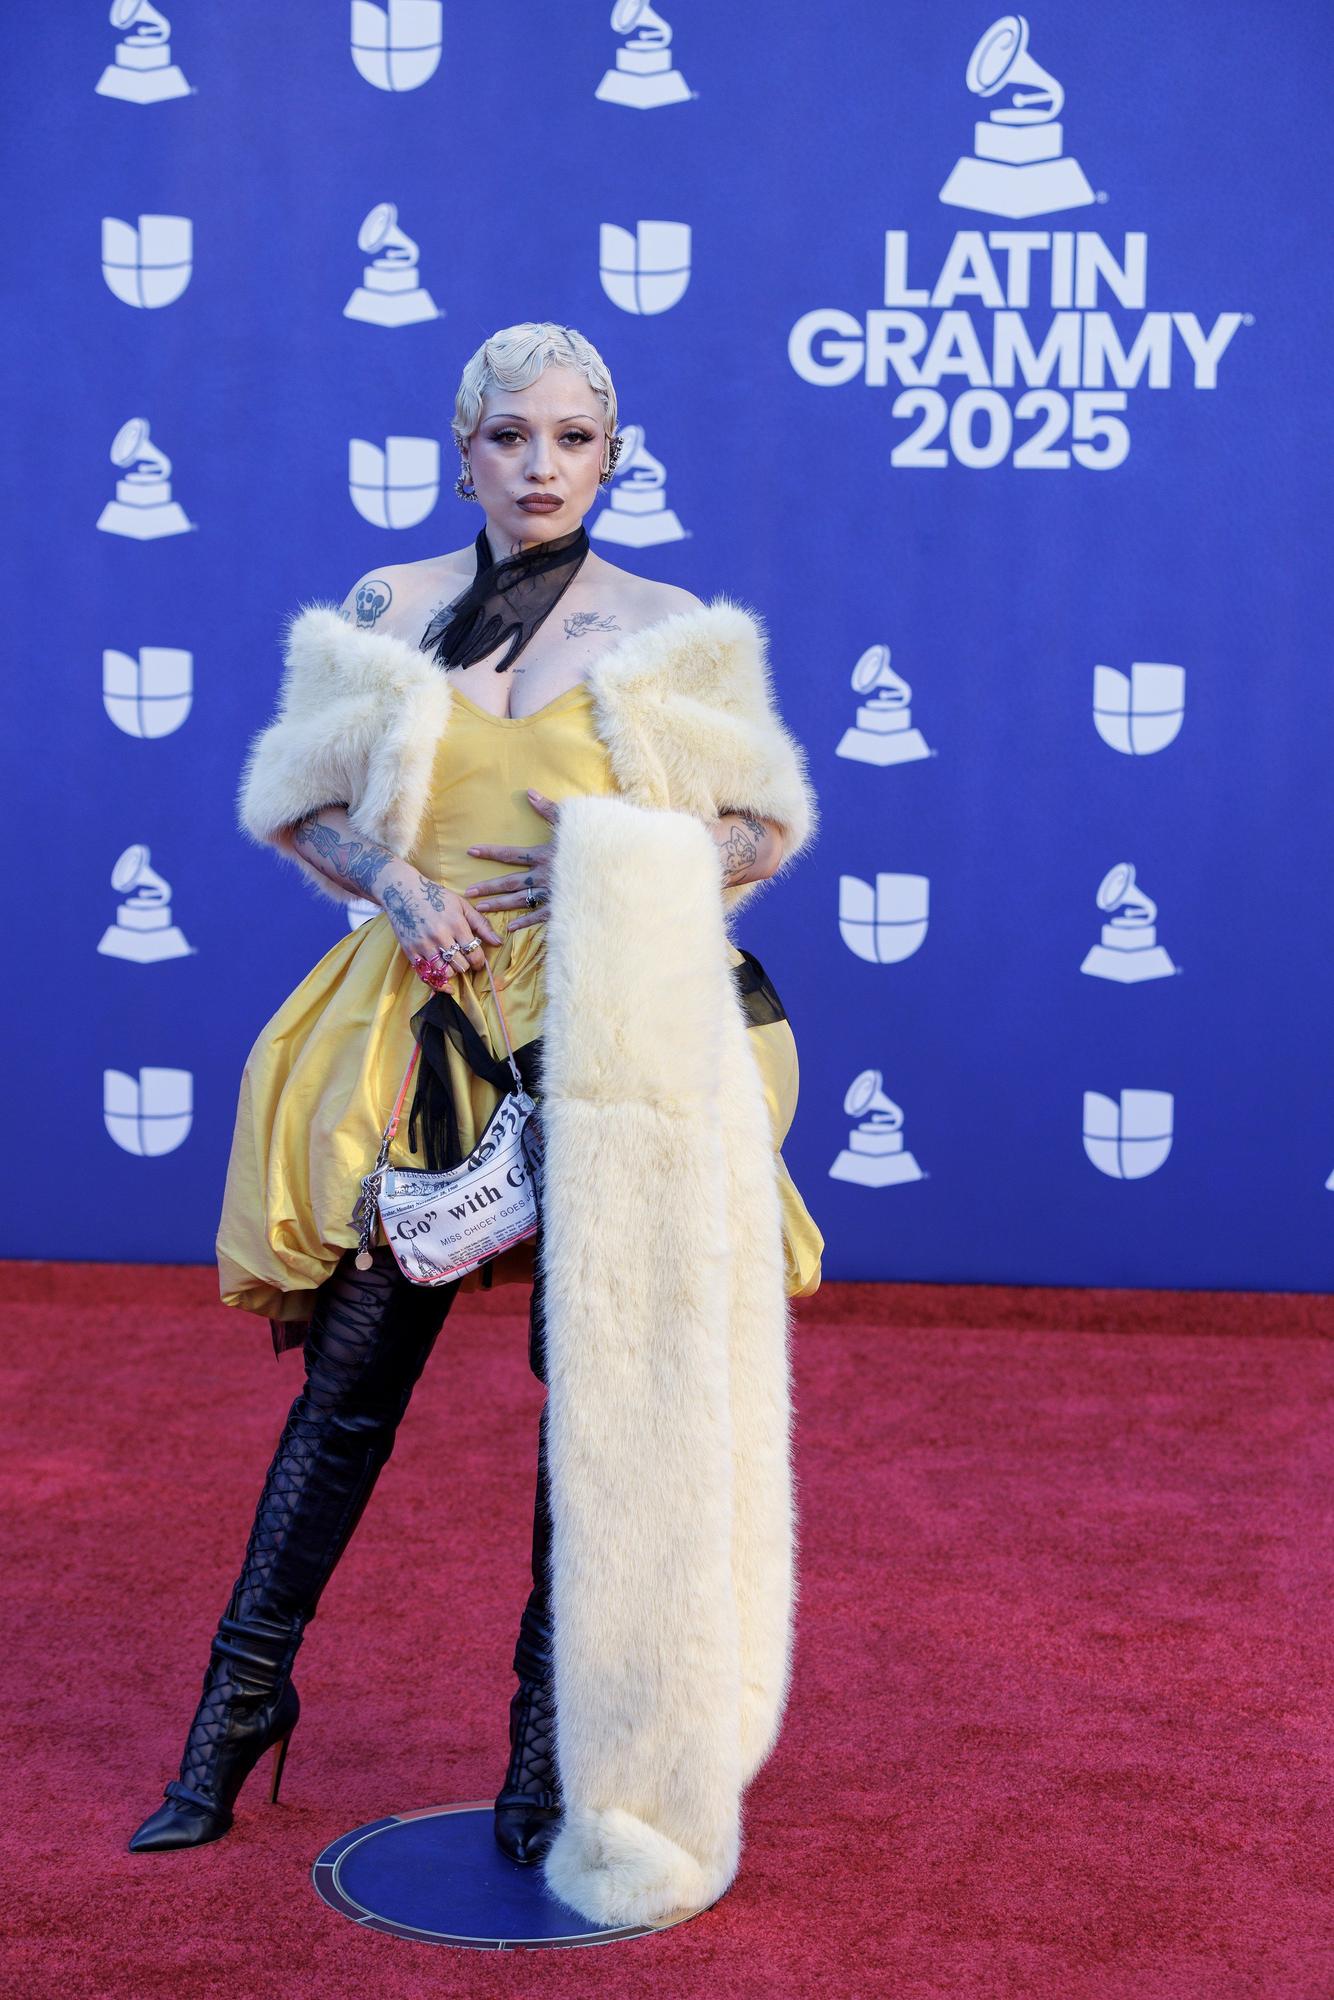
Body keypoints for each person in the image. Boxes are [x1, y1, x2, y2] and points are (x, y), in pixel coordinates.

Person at [128, 323, 823, 1919]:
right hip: (418, 1038)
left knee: (581, 1410)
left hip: (606, 1042)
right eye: (511, 436)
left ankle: (540, 1760)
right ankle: (239, 1709)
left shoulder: (669, 633)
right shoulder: (386, 607)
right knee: (350, 1389)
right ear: (464, 451)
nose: (539, 464)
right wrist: (391, 874)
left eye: (573, 439)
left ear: (613, 454)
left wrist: (623, 856)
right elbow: (298, 795)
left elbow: (757, 821)